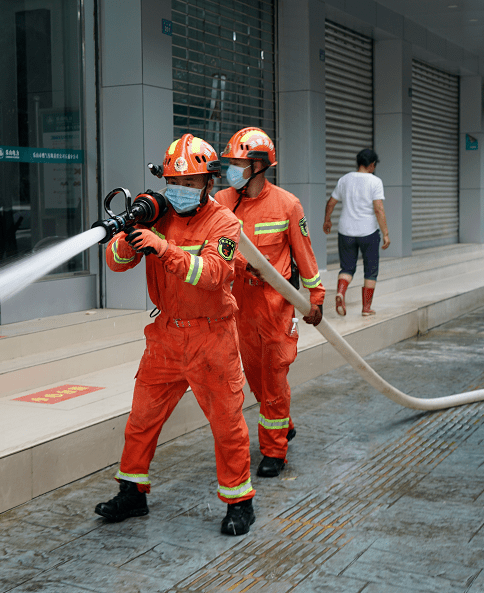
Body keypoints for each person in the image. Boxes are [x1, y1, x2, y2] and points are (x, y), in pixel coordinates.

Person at [95, 133, 256, 536]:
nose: (180, 191)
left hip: (212, 338)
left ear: (208, 183)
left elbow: (214, 274)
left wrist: (161, 248)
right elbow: (115, 262)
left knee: (226, 422)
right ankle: (132, 492)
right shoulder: (157, 215)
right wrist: (131, 238)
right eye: (174, 183)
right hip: (165, 335)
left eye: (189, 183)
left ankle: (240, 501)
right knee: (142, 419)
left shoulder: (224, 221)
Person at [215, 127, 324, 478]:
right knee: (256, 378)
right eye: (230, 162)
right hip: (240, 306)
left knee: (275, 374)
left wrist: (315, 297)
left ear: (260, 165)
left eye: (238, 162)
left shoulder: (287, 204)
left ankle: (275, 450)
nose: (232, 169)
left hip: (276, 306)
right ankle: (283, 422)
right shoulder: (222, 202)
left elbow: (304, 255)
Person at [323, 148, 390, 317]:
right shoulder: (375, 182)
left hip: (346, 231)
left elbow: (331, 203)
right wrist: (386, 234)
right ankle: (366, 308)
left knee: (347, 268)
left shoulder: (345, 179)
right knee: (371, 270)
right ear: (372, 165)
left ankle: (340, 292)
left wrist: (327, 220)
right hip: (368, 232)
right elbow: (379, 209)